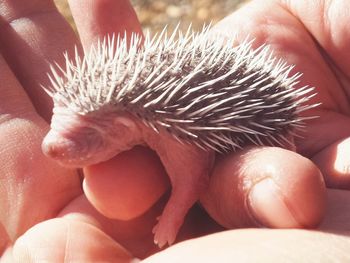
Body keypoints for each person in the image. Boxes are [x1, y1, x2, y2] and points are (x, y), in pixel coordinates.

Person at [0, 0, 349, 261]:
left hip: (270, 113)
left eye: (88, 138)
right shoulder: (136, 119)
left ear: (125, 127)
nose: (52, 147)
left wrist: (170, 218)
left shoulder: (175, 131)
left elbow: (193, 179)